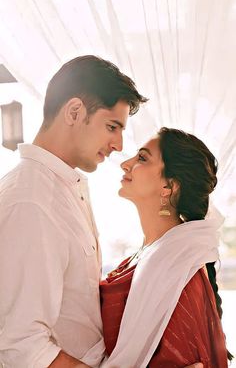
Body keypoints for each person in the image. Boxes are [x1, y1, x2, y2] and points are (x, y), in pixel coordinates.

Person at [0, 55, 147, 368]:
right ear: (75, 111)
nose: (119, 145)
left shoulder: (66, 185)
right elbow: (22, 346)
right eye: (112, 126)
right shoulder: (31, 202)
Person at [99, 127, 232, 367]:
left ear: (169, 187)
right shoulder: (147, 258)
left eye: (142, 158)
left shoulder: (177, 272)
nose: (125, 164)